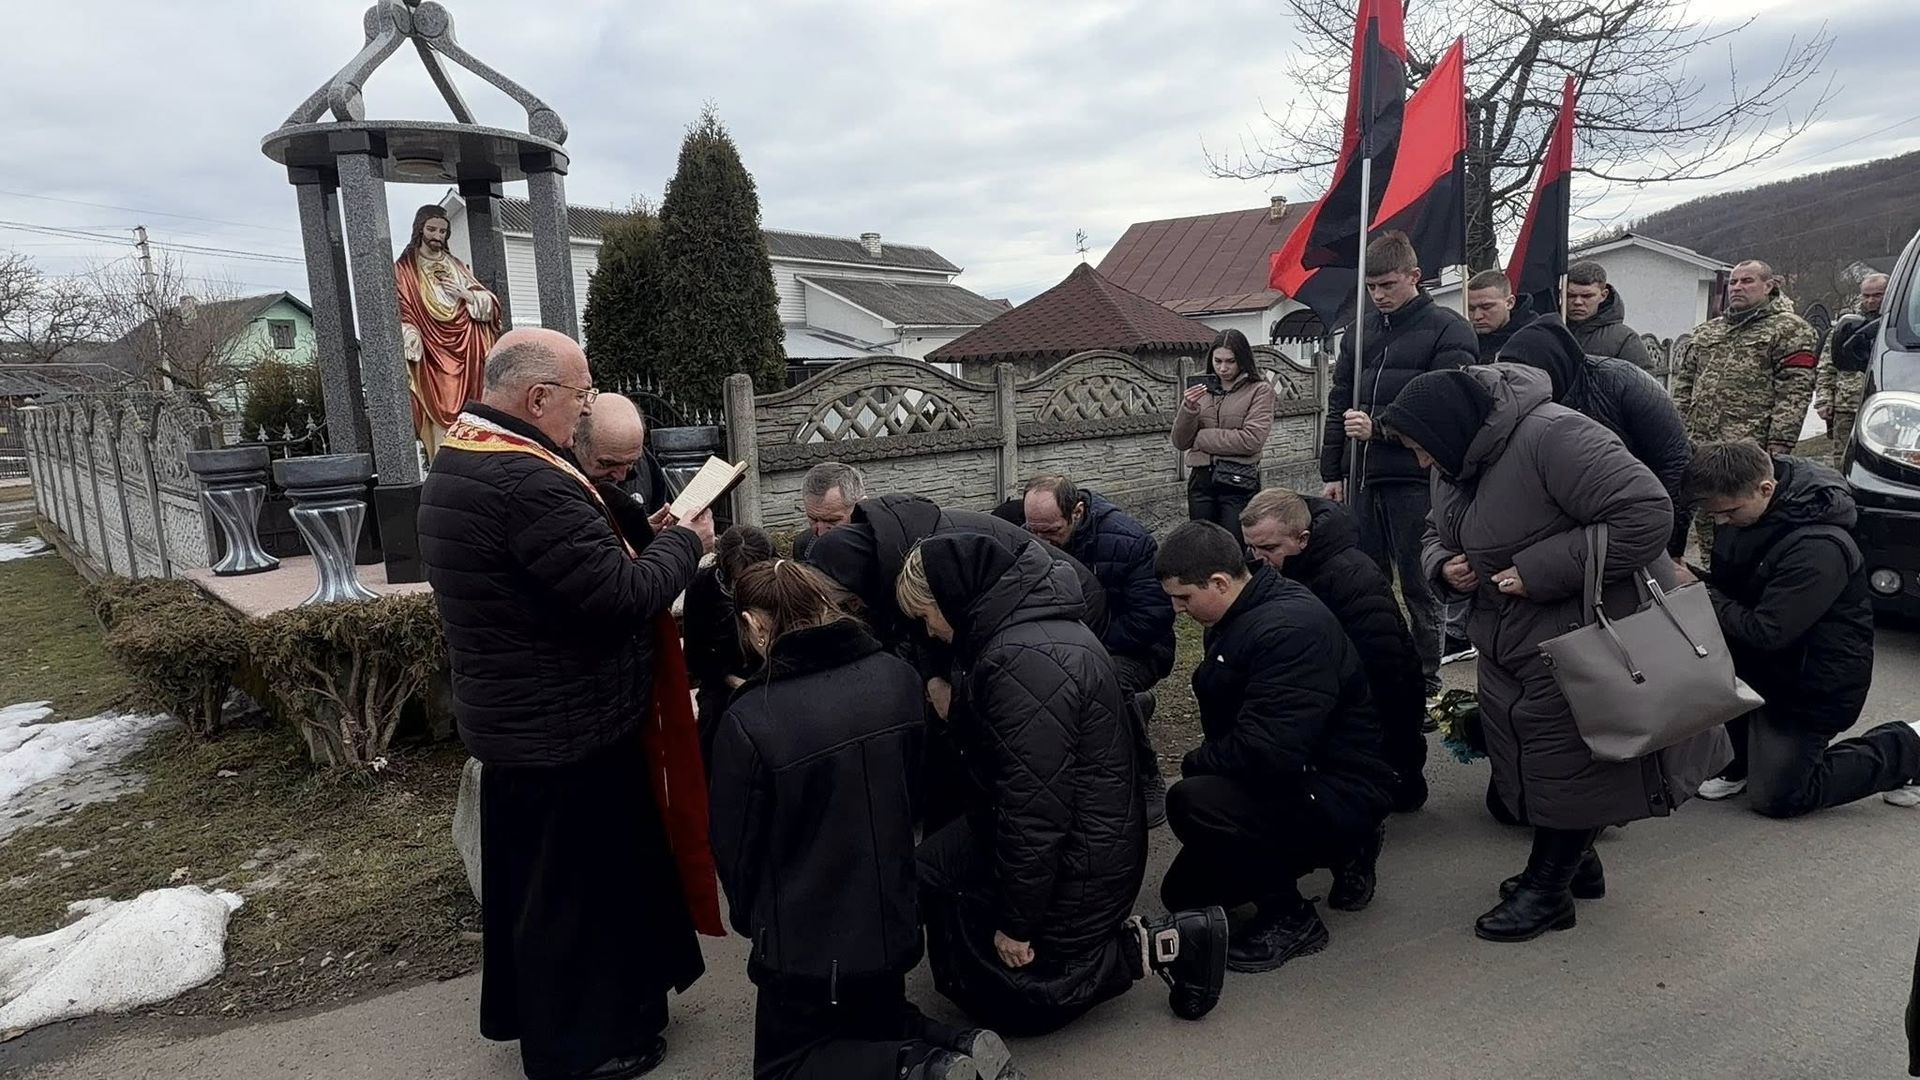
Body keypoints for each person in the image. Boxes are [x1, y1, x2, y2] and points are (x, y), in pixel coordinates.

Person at [418, 328, 718, 1080]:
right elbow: (620, 596)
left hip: (529, 720)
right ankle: (590, 1048)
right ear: (537, 397)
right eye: (581, 397)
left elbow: (560, 571)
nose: (584, 413)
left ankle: (585, 1023)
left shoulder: (465, 455)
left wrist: (632, 537)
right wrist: (685, 544)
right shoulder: (525, 479)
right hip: (564, 733)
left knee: (555, 897)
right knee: (577, 906)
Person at [1384, 365, 1728, 943]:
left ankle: (1549, 892)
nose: (1422, 464)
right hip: (1505, 634)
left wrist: (1540, 571)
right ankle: (1575, 865)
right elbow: (1433, 531)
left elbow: (1646, 515)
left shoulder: (1555, 437)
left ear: (1450, 428)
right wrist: (1443, 564)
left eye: (1422, 450)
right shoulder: (1455, 458)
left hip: (1582, 630)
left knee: (1566, 757)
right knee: (1532, 752)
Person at [896, 532, 1227, 1034]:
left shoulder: (1022, 660)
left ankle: (1162, 943)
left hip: (1082, 861)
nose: (930, 631)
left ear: (954, 599)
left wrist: (1017, 924)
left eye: (927, 615)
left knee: (1019, 1005)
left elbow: (1034, 812)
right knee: (923, 882)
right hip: (1069, 833)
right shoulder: (1023, 632)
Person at [709, 558, 1018, 1080]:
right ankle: (958, 1044)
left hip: (805, 940)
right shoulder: (896, 678)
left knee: (787, 1064)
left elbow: (736, 847)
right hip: (893, 912)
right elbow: (915, 784)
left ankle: (920, 1068)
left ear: (758, 625)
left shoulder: (751, 718)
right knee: (878, 1016)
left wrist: (753, 920)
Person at [1154, 521, 1395, 968]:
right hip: (1292, 774)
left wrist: (1197, 763)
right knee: (1185, 896)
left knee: (1194, 802)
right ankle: (1337, 848)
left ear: (1221, 582)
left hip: (1334, 782)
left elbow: (1270, 751)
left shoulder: (1289, 630)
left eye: (1183, 597)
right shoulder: (1240, 614)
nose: (1177, 609)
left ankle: (1292, 916)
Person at [1676, 440, 1920, 815]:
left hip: (1809, 685)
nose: (1720, 522)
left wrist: (1698, 591)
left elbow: (1768, 631)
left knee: (1780, 796)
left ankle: (1908, 747)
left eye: (1727, 512)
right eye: (1713, 514)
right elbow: (1737, 595)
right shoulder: (1749, 511)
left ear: (1766, 489)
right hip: (1756, 670)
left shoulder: (1819, 546)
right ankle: (1739, 759)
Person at [1319, 231, 1478, 699]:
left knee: (1420, 585)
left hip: (1417, 479)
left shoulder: (1450, 330)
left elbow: (1448, 408)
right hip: (1361, 478)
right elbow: (1339, 402)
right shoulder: (1360, 333)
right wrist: (1333, 470)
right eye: (1371, 287)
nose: (1379, 295)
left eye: (1387, 284)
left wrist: (1383, 429)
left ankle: (1426, 681)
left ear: (1415, 276)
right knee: (1366, 583)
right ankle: (1377, 672)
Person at [1240, 488, 1427, 816]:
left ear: (1303, 538)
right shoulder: (1275, 572)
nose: (1257, 558)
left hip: (1364, 700)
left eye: (1268, 548)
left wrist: (1398, 754)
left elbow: (1388, 665)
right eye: (1251, 547)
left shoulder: (1350, 576)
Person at [1020, 475, 1177, 826]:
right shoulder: (1027, 536)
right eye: (1034, 530)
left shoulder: (1129, 541)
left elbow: (1151, 618)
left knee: (1106, 680)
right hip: (1071, 641)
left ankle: (1147, 775)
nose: (1042, 542)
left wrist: (1087, 648)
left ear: (1076, 512)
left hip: (1137, 649)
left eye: (1052, 532)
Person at [1496, 317, 1691, 557]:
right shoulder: (1516, 402)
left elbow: (1674, 463)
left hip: (1637, 510)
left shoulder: (1627, 384)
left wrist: (1671, 547)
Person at [1674, 259, 1819, 561]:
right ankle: (1710, 571)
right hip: (1704, 444)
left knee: (1748, 517)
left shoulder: (1790, 330)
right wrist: (1679, 429)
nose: (1738, 287)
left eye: (1747, 281)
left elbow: (1795, 388)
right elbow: (1685, 382)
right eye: (1734, 282)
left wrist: (1779, 444)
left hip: (1751, 447)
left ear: (1769, 286)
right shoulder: (1708, 331)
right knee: (1709, 511)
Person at [399, 203, 502, 458]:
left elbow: (488, 300)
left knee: (474, 410)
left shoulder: (455, 264)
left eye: (443, 231)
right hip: (432, 353)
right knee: (440, 414)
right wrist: (409, 333)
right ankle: (442, 460)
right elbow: (402, 309)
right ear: (420, 229)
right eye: (432, 229)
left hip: (468, 348)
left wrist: (465, 295)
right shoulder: (405, 269)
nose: (437, 236)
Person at [682, 524, 778, 770]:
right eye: (739, 581)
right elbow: (696, 658)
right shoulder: (702, 587)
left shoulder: (783, 582)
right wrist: (736, 682)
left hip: (777, 678)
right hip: (724, 684)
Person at [1172, 327, 1276, 547]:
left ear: (1243, 360)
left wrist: (1202, 439)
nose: (1223, 368)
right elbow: (1180, 442)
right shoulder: (1201, 388)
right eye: (1218, 361)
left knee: (1233, 549)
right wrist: (1188, 407)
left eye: (1230, 361)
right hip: (1201, 480)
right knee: (1202, 549)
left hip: (1237, 480)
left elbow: (1251, 440)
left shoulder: (1259, 390)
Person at [1816, 272, 1889, 468]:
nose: (1871, 300)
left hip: (1885, 404)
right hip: (1847, 404)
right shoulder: (1848, 325)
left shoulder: (1898, 322)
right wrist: (1824, 399)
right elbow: (1827, 366)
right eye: (1866, 295)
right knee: (1843, 459)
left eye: (1877, 295)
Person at [571, 393, 675, 515]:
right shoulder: (558, 484)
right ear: (575, 442)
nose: (621, 476)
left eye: (631, 462)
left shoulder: (646, 463)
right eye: (608, 464)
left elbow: (660, 509)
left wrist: (648, 529)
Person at [1564, 261, 1654, 370]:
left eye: (1587, 296)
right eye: (1571, 295)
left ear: (1603, 295)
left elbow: (1644, 384)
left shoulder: (1624, 339)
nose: (1578, 302)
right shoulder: (1551, 330)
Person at [791, 461, 865, 560]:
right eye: (813, 519)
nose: (820, 533)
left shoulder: (885, 546)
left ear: (861, 506)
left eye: (832, 521)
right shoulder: (803, 546)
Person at [1466, 269, 1536, 360]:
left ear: (1509, 303)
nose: (1477, 316)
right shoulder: (1465, 343)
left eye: (1486, 307)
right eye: (1471, 309)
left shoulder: (1536, 339)